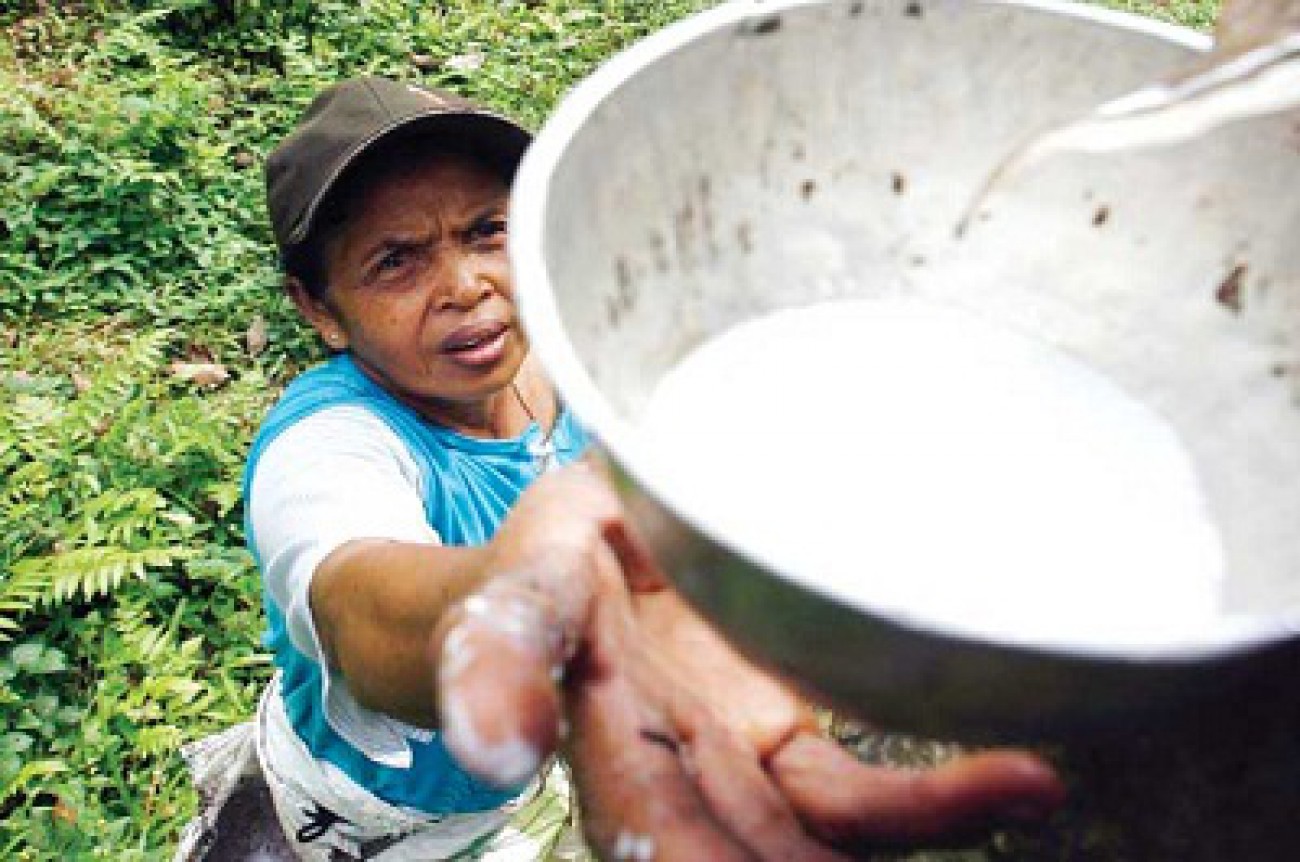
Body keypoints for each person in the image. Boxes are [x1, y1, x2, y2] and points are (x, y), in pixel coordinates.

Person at [226, 75, 1063, 861]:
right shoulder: (327, 442)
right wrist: (510, 600)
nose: (468, 285)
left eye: (488, 231)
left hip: (526, 779)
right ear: (319, 309)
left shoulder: (577, 355)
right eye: (396, 262)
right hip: (363, 817)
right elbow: (356, 607)